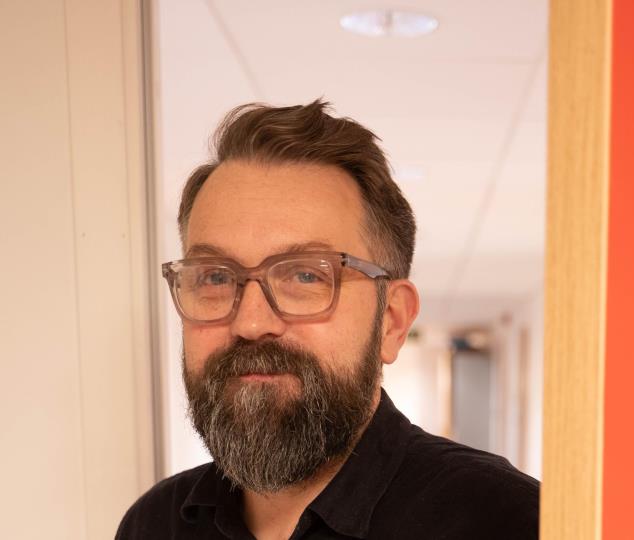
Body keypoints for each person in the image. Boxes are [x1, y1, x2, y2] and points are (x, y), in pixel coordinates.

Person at [116, 100, 540, 539]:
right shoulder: (154, 524)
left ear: (392, 322)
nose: (251, 323)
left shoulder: (506, 521)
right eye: (215, 277)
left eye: (305, 275)